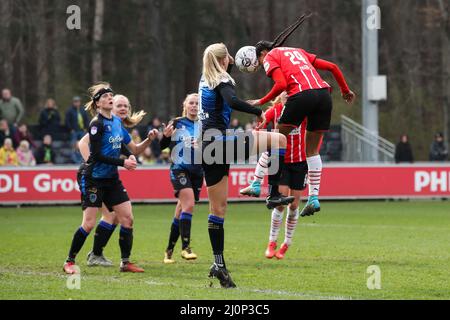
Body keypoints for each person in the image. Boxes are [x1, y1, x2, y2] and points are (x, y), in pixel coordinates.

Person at [199, 43, 294, 288]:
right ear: (222, 60)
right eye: (228, 54)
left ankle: (218, 264)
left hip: (206, 147)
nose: (232, 58)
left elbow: (224, 90)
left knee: (217, 210)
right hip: (221, 143)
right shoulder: (223, 79)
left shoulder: (205, 78)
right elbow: (231, 100)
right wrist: (257, 110)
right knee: (280, 140)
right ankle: (273, 193)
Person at [247, 14, 355, 217]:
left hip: (302, 95)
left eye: (260, 61)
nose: (262, 66)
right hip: (324, 95)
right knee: (312, 150)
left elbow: (281, 85)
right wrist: (345, 90)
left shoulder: (270, 57)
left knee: (275, 139)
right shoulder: (298, 51)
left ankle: (267, 190)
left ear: (262, 54)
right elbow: (332, 67)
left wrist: (260, 101)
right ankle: (314, 197)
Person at [75, 91, 158, 268]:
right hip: (93, 175)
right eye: (119, 105)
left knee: (118, 216)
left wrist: (148, 141)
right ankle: (94, 255)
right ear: (111, 106)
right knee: (109, 216)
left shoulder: (117, 125)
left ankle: (100, 255)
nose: (122, 108)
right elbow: (82, 143)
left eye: (125, 106)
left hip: (108, 175)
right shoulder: (101, 124)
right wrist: (90, 164)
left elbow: (133, 150)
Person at [240, 92, 307, 259]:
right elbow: (260, 124)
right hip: (281, 162)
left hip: (299, 162)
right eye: (285, 95)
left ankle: (287, 242)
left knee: (294, 205)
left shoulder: (303, 111)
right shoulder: (275, 111)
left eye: (292, 95)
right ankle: (272, 242)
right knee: (280, 204)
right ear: (281, 97)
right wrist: (259, 130)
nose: (288, 97)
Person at [160, 93, 203, 264]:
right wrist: (165, 136)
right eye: (191, 103)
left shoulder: (205, 125)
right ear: (185, 105)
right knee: (189, 204)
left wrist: (203, 145)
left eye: (197, 103)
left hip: (198, 172)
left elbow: (214, 149)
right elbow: (162, 146)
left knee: (180, 211)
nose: (194, 106)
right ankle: (186, 248)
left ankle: (168, 251)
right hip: (180, 169)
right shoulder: (177, 122)